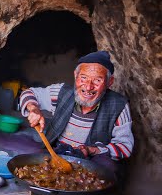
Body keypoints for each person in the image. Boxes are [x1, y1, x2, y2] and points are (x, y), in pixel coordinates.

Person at [19, 50, 134, 178]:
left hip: (91, 161)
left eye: (97, 80)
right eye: (83, 78)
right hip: (56, 153)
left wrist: (92, 150)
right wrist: (33, 108)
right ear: (75, 75)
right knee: (27, 158)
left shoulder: (119, 105)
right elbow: (29, 93)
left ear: (109, 82)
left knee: (107, 169)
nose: (88, 87)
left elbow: (125, 147)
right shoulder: (61, 92)